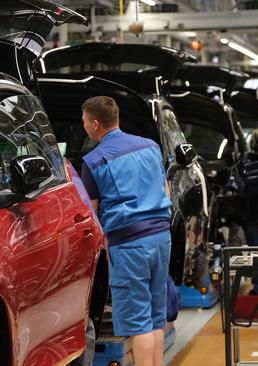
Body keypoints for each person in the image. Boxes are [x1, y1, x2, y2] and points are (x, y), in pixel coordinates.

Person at [80, 96, 172, 366]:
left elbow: (92, 213)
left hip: (130, 244)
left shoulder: (94, 161)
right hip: (161, 237)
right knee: (156, 317)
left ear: (95, 124)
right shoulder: (150, 146)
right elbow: (165, 190)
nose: (84, 126)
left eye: (84, 121)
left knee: (139, 323)